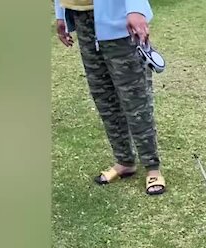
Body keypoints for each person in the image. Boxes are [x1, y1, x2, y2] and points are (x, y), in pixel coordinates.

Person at [55, 0, 166, 196]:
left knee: (135, 98)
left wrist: (135, 8)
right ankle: (124, 161)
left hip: (120, 22)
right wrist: (60, 13)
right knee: (103, 95)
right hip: (81, 18)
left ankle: (152, 167)